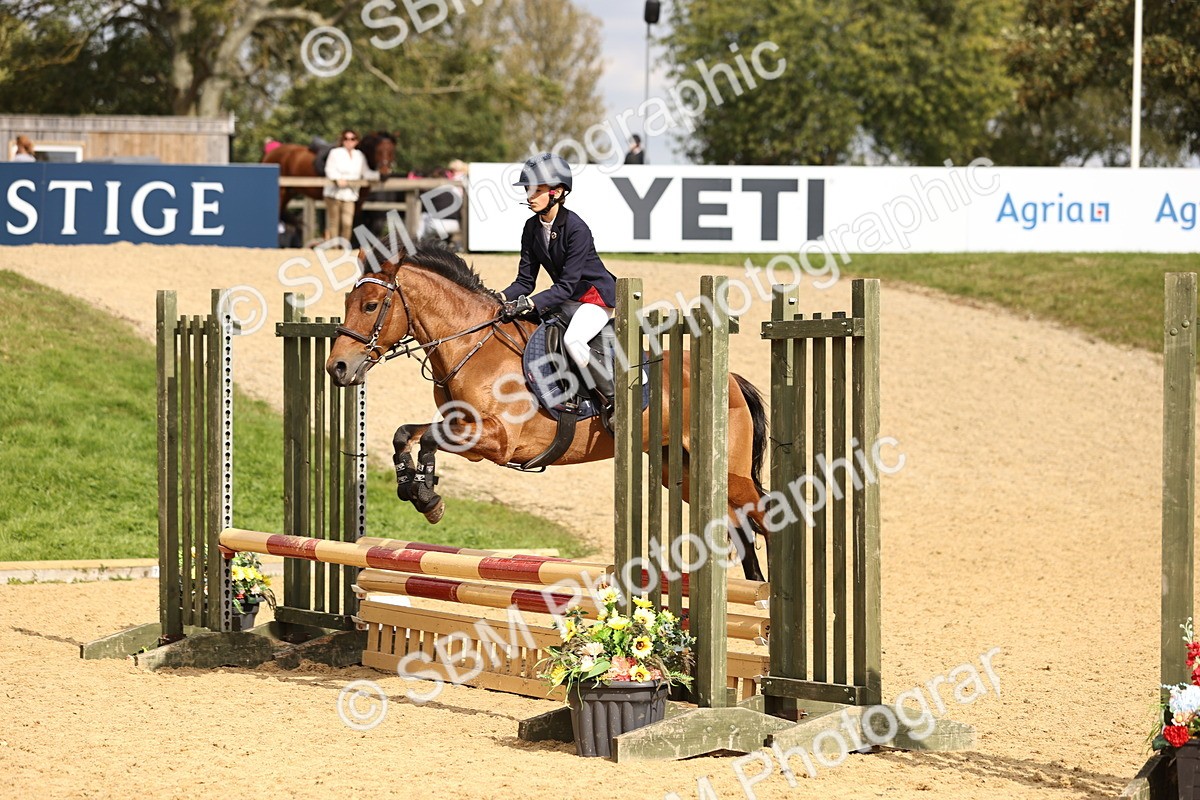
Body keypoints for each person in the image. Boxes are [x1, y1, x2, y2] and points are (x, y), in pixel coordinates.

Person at [499, 152, 620, 424]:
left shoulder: (576, 228)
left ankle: (614, 400)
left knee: (573, 341)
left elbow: (566, 285)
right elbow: (524, 282)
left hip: (595, 298)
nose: (530, 196)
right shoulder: (531, 227)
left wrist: (531, 303)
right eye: (528, 189)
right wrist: (499, 298)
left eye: (537, 190)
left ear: (557, 191)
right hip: (566, 299)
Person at [323, 128, 367, 244]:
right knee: (334, 223)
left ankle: (344, 247)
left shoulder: (359, 155)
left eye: (352, 139)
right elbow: (329, 169)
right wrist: (337, 178)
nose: (349, 141)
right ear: (342, 140)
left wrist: (379, 175)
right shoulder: (335, 152)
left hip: (350, 194)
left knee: (347, 223)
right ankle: (334, 248)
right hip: (334, 193)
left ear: (356, 141)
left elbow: (366, 172)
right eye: (346, 139)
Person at [417, 159, 467, 249]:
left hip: (438, 224)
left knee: (424, 217)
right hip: (455, 224)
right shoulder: (455, 188)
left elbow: (425, 207)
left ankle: (417, 245)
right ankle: (445, 244)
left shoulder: (434, 189)